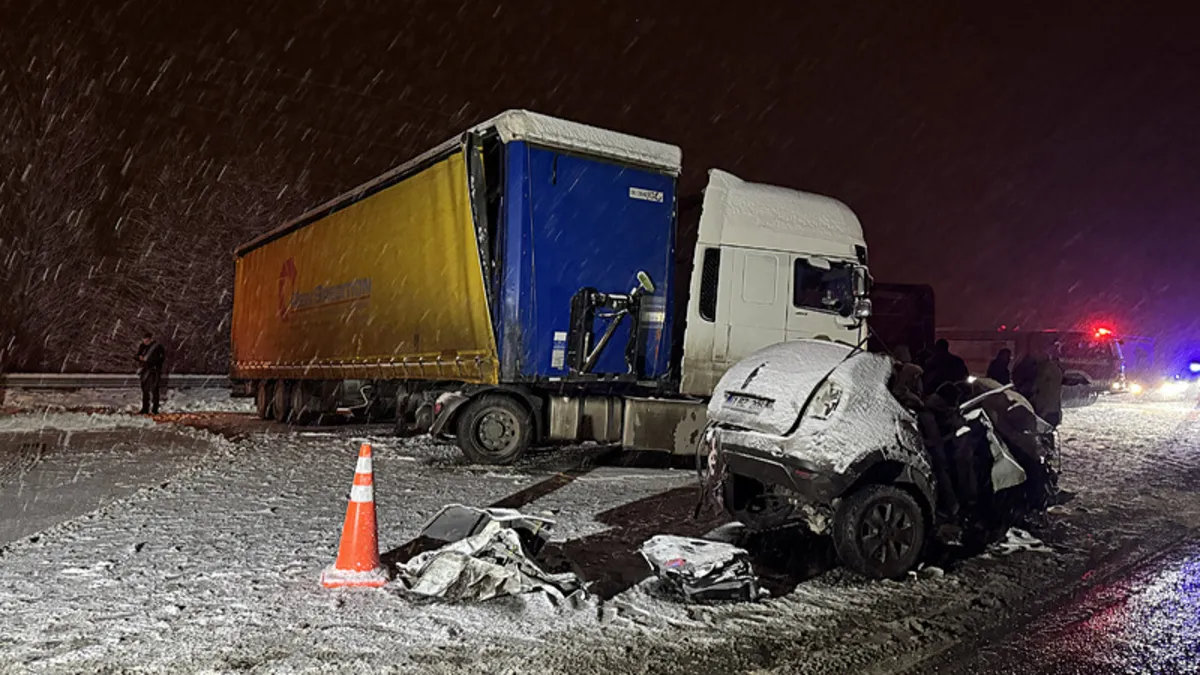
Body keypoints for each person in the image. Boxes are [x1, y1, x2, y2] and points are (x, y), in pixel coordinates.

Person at [135, 332, 166, 414]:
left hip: (154, 370)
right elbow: (136, 355)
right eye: (144, 340)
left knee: (154, 389)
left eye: (147, 340)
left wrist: (150, 361)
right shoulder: (142, 346)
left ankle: (155, 409)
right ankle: (145, 408)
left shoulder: (158, 347)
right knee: (145, 390)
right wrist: (139, 357)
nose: (145, 341)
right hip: (145, 370)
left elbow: (161, 358)